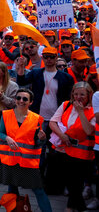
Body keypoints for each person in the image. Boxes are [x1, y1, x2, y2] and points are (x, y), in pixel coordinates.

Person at [0, 88, 52, 212]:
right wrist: (7, 138)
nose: (21, 101)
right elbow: (0, 133)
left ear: (30, 102)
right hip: (11, 160)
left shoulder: (36, 118)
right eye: (18, 98)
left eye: (25, 99)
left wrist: (42, 139)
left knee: (38, 190)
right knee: (12, 190)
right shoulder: (6, 115)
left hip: (28, 162)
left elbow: (38, 143)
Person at [48, 82, 95, 211]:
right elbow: (53, 122)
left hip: (82, 153)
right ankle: (79, 207)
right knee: (69, 182)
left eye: (82, 95)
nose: (78, 97)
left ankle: (69, 208)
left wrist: (81, 112)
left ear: (89, 95)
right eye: (76, 94)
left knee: (76, 183)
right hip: (64, 149)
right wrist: (61, 135)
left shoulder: (93, 110)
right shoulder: (66, 104)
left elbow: (88, 130)